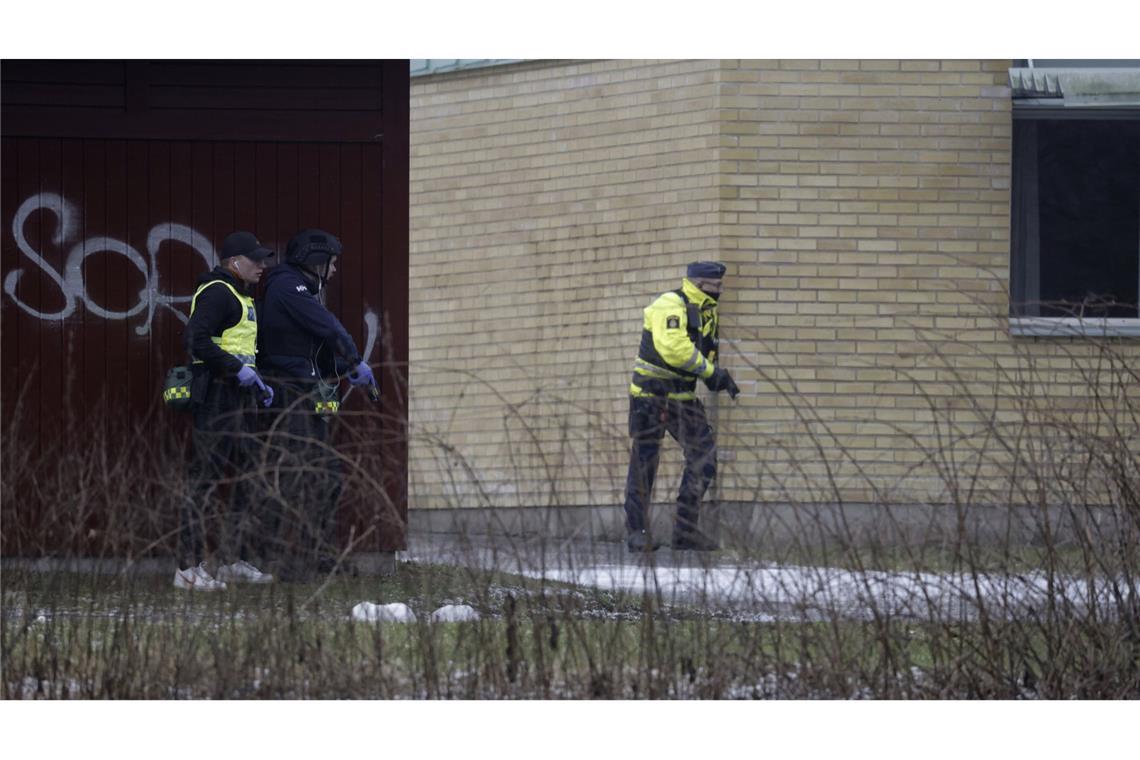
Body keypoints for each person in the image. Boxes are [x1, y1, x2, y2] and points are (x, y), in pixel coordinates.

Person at [257, 228, 377, 580]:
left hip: (304, 391)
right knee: (298, 476)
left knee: (326, 476)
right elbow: (328, 327)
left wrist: (343, 370)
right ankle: (290, 562)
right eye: (332, 263)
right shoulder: (286, 286)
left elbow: (308, 354)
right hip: (288, 394)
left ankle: (320, 556)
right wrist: (354, 359)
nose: (335, 270)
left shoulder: (300, 290)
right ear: (316, 261)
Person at [175, 231, 276, 590]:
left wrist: (257, 382)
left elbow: (239, 347)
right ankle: (187, 570)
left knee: (246, 480)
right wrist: (237, 370)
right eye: (256, 259)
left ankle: (233, 560)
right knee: (204, 481)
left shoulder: (240, 295)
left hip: (239, 398)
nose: (262, 266)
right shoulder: (218, 292)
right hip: (217, 397)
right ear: (235, 262)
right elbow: (194, 340)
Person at [623, 261, 740, 553]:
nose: (721, 290)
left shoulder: (706, 312)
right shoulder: (670, 304)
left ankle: (685, 532)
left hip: (683, 399)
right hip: (651, 396)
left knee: (704, 458)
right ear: (701, 284)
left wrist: (715, 376)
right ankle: (636, 532)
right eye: (716, 286)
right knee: (644, 464)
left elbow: (702, 352)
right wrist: (711, 373)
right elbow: (674, 349)